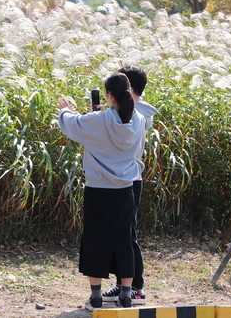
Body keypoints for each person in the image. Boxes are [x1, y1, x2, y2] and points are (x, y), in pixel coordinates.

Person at [57, 72, 147, 311]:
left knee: (95, 239)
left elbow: (71, 125)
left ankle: (96, 297)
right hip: (126, 188)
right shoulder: (139, 120)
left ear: (108, 95)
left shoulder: (97, 120)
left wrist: (65, 109)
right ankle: (126, 295)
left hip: (98, 189)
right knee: (125, 239)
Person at [102, 66, 157, 305]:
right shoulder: (124, 111)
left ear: (129, 88)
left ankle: (136, 286)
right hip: (119, 179)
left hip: (129, 180)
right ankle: (122, 283)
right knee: (118, 234)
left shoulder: (139, 114)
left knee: (127, 235)